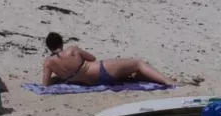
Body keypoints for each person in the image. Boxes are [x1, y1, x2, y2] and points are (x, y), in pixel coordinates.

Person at [41, 32, 177, 87]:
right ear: (61, 43)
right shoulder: (71, 50)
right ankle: (168, 81)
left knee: (135, 74)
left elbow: (45, 84)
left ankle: (156, 79)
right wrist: (78, 51)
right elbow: (92, 58)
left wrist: (60, 78)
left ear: (49, 47)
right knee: (138, 63)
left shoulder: (48, 63)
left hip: (92, 83)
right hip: (101, 71)